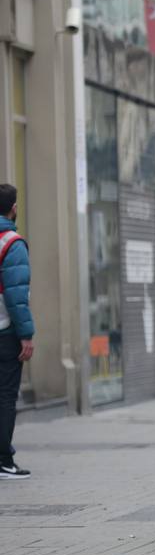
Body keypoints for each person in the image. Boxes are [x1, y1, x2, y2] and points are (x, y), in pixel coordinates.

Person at [0, 184, 34, 480]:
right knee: (6, 396)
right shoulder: (12, 243)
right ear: (13, 208)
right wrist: (26, 334)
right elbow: (16, 295)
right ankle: (3, 460)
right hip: (4, 331)